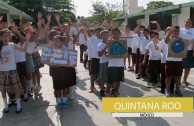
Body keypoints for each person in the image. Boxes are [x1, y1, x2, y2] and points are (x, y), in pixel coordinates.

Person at [0, 28, 31, 113]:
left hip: (13, 70)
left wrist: (27, 40)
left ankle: (18, 105)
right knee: (3, 90)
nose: (6, 37)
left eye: (8, 35)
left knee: (16, 89)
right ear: (1, 37)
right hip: (2, 71)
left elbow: (24, 50)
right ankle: (6, 106)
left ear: (10, 37)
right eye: (4, 35)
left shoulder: (12, 45)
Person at [50, 35, 76, 108]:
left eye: (58, 41)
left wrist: (60, 64)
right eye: (55, 41)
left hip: (64, 72)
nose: (57, 43)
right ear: (53, 42)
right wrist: (60, 64)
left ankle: (64, 100)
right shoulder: (51, 51)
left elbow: (70, 62)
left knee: (64, 87)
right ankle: (58, 101)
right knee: (57, 87)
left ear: (61, 42)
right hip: (56, 72)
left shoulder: (66, 50)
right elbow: (51, 64)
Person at [165, 26, 190, 97]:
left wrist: (184, 42)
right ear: (172, 32)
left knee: (178, 76)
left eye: (177, 31)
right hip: (170, 61)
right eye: (175, 31)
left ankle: (177, 90)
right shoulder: (169, 39)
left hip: (179, 61)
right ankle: (167, 90)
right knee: (169, 76)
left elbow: (185, 48)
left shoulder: (182, 40)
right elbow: (166, 41)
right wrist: (169, 31)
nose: (176, 32)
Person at [106, 28, 125, 97]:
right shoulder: (109, 42)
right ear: (111, 35)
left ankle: (116, 92)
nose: (115, 35)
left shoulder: (123, 42)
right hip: (111, 65)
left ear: (119, 34)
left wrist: (125, 52)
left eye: (116, 34)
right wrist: (108, 54)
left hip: (120, 65)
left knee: (118, 80)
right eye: (113, 34)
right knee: (109, 82)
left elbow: (126, 54)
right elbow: (107, 54)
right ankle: (107, 93)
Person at [180, 19, 194, 85]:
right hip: (180, 51)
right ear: (184, 23)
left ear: (191, 24)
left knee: (187, 67)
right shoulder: (180, 30)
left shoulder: (193, 30)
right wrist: (185, 41)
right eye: (186, 22)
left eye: (189, 22)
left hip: (190, 51)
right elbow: (177, 38)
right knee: (179, 66)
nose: (188, 23)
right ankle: (178, 80)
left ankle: (184, 80)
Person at [97, 30, 109, 97]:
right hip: (103, 62)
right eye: (103, 35)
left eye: (106, 35)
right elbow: (99, 54)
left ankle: (108, 89)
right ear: (101, 36)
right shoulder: (100, 45)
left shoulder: (111, 43)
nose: (105, 36)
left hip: (110, 63)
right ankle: (102, 90)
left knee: (109, 77)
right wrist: (106, 47)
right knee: (102, 78)